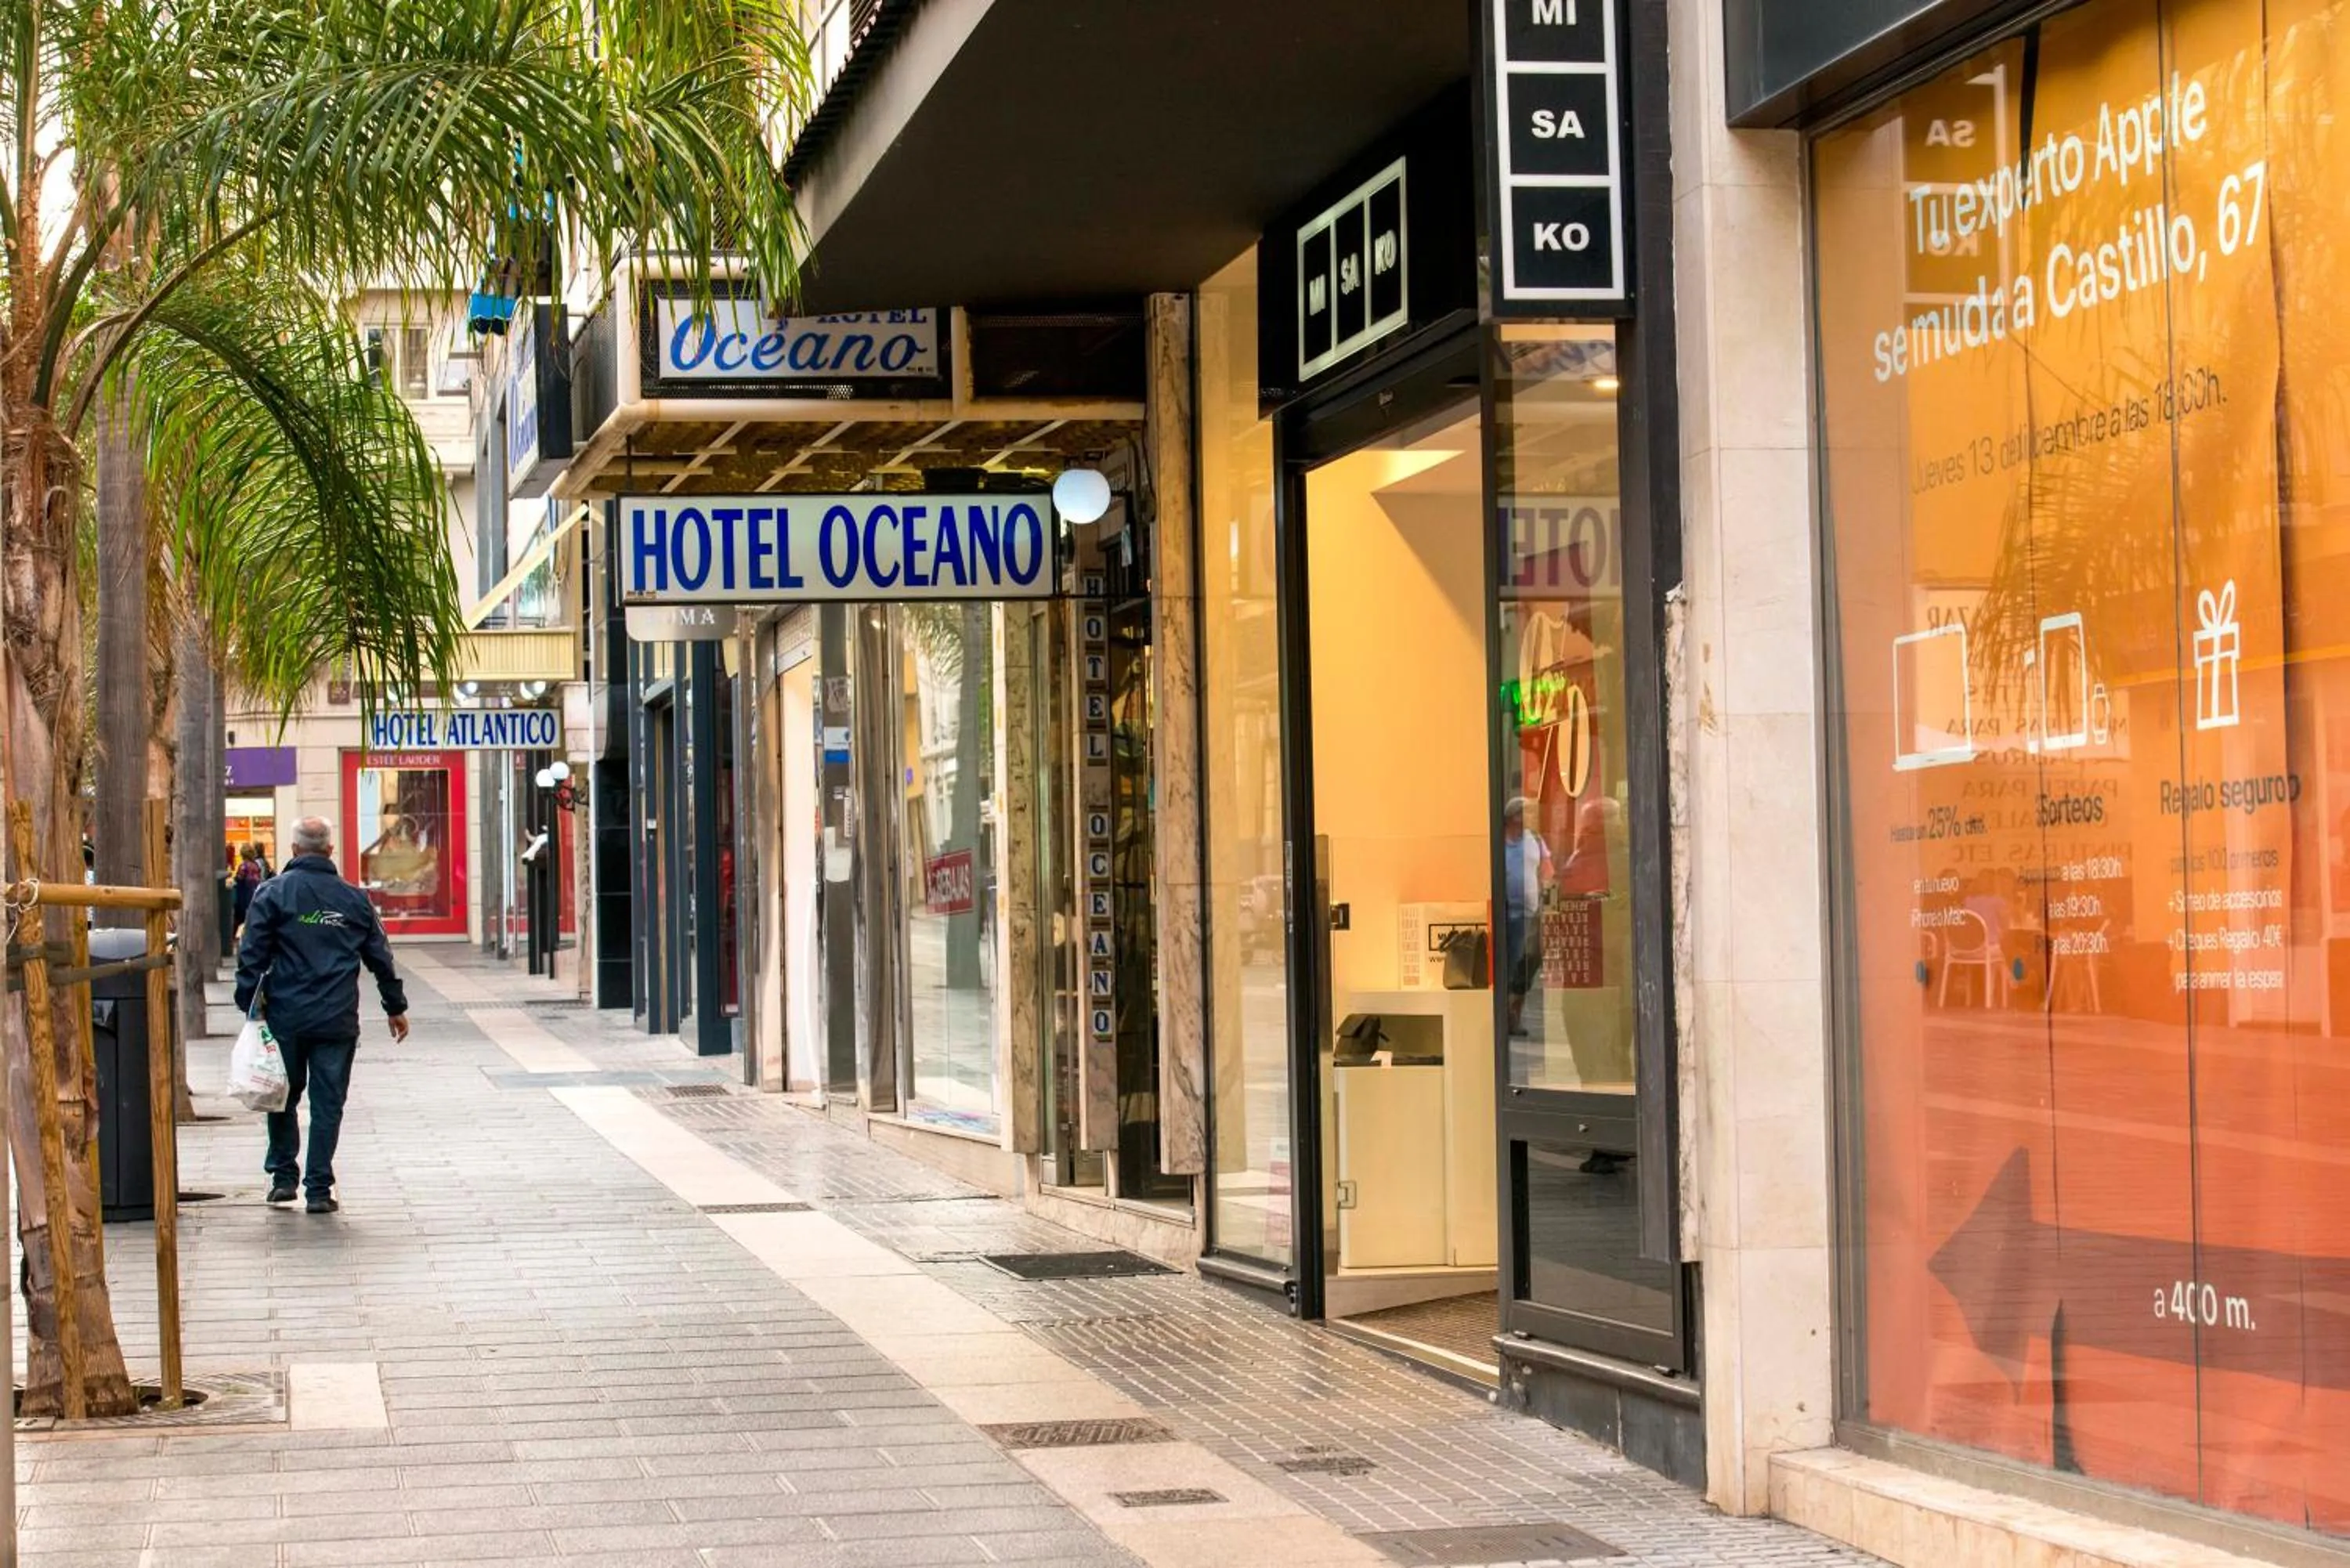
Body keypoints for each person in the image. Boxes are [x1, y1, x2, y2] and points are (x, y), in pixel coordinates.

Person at [233, 815, 410, 1213]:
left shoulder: (272, 893)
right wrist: (395, 1006)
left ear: (294, 849)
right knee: (328, 1103)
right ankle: (318, 1188)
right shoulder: (354, 899)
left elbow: (252, 955)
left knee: (281, 1095)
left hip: (285, 1016)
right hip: (336, 1017)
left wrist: (249, 1004)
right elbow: (380, 957)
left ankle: (283, 1178)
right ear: (331, 850)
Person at [1502, 796, 1553, 1038]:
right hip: (1504, 913)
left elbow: (1547, 871)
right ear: (1514, 816)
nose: (1533, 817)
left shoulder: (1535, 839)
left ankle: (1514, 1015)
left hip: (1530, 915)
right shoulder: (1498, 840)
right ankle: (1505, 1017)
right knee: (1508, 966)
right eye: (1527, 812)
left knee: (1527, 964)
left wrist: (1550, 906)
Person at [232, 843, 267, 934]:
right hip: (254, 895)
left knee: (238, 919)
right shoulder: (256, 865)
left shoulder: (243, 866)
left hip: (244, 896)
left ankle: (233, 938)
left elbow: (238, 879)